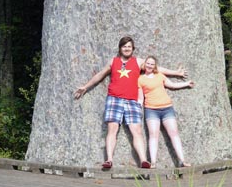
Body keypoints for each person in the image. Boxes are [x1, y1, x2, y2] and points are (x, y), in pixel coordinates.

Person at [74, 36, 187, 169]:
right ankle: (109, 159)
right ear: (120, 48)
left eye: (129, 46)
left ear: (132, 49)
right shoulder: (113, 61)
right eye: (124, 46)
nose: (127, 49)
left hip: (132, 100)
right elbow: (100, 75)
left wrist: (176, 73)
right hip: (114, 99)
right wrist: (86, 86)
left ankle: (144, 160)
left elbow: (155, 68)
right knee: (112, 129)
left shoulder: (138, 62)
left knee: (137, 130)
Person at [138, 55, 193, 169]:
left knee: (174, 133)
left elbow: (172, 85)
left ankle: (182, 161)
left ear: (155, 66)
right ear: (144, 65)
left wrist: (186, 83)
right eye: (148, 63)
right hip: (151, 109)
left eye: (152, 64)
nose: (149, 66)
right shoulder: (140, 79)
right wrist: (137, 107)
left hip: (167, 108)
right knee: (153, 135)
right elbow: (140, 98)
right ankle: (153, 162)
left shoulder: (160, 75)